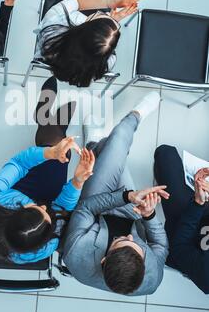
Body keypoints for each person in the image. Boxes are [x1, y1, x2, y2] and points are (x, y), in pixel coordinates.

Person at [0, 77, 95, 264]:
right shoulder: (46, 246)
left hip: (19, 189)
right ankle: (53, 125)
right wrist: (78, 181)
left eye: (37, 209)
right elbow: (60, 208)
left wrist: (49, 153)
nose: (45, 207)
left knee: (55, 148)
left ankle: (45, 119)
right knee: (64, 155)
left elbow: (19, 164)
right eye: (46, 214)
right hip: (43, 196)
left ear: (16, 209)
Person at [63, 91, 170, 296]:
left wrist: (126, 196)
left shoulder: (76, 254)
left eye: (122, 240)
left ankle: (128, 121)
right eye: (137, 244)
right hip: (133, 213)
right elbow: (160, 245)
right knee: (113, 149)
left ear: (103, 259)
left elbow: (85, 208)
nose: (130, 236)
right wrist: (149, 214)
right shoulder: (152, 279)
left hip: (95, 210)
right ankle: (95, 144)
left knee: (118, 139)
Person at [154, 145, 209, 294]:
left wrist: (198, 203)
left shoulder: (207, 278)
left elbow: (180, 246)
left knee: (165, 154)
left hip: (184, 229)